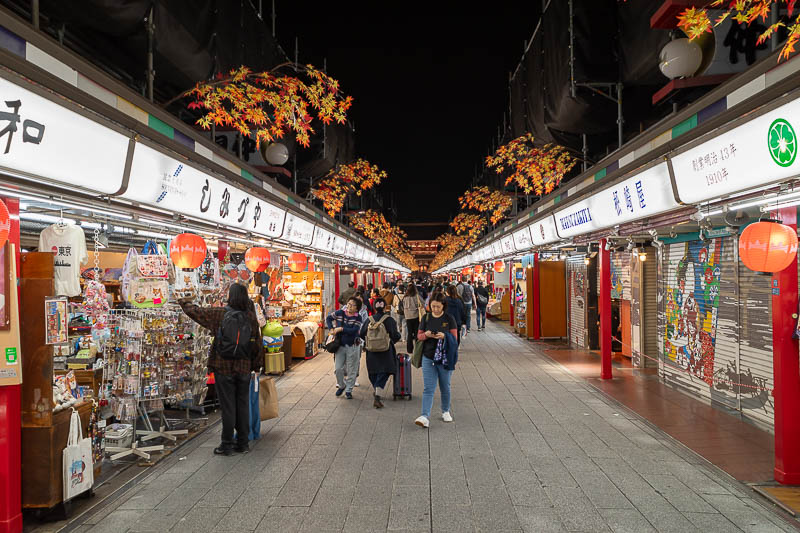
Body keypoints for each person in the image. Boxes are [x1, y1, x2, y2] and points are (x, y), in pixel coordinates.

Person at [178, 283, 263, 455]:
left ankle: (227, 444)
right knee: (242, 404)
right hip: (244, 367)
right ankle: (243, 443)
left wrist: (183, 302)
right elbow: (257, 345)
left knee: (228, 406)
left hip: (223, 366)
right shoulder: (250, 317)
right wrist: (256, 366)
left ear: (230, 296)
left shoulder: (220, 314)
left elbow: (198, 313)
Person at [414, 292, 459, 428]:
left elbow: (455, 339)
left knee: (445, 386)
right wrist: (426, 335)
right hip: (428, 357)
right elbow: (419, 336)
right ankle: (424, 416)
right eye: (433, 306)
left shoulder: (449, 318)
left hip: (444, 358)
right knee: (428, 388)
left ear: (443, 306)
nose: (435, 309)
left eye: (438, 307)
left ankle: (445, 410)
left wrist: (444, 336)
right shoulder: (426, 318)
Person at [359, 298, 401, 408]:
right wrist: (391, 340)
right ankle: (377, 394)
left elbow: (362, 333)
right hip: (386, 351)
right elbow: (396, 335)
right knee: (385, 371)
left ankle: (376, 390)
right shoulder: (389, 320)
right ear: (385, 306)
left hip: (371, 351)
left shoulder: (369, 319)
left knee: (373, 372)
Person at [325, 297, 364, 399]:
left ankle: (349, 390)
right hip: (340, 345)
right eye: (348, 304)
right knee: (338, 368)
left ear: (357, 308)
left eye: (352, 305)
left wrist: (340, 329)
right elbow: (328, 318)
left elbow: (354, 330)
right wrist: (331, 328)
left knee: (352, 368)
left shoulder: (358, 318)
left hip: (353, 346)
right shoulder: (340, 313)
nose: (349, 306)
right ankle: (342, 385)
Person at [403, 283, 423, 353]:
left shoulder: (405, 297)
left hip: (408, 317)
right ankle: (417, 348)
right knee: (416, 332)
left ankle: (409, 349)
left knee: (409, 333)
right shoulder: (417, 296)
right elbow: (422, 303)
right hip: (416, 316)